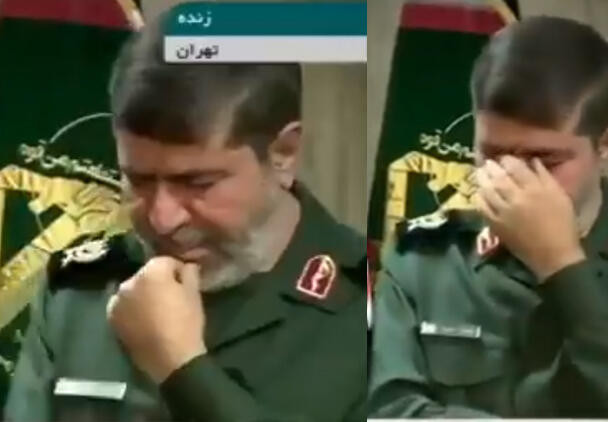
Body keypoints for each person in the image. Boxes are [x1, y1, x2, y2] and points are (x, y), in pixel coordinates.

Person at [368, 16, 608, 421]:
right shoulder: (423, 257)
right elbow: (391, 410)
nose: (511, 177)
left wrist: (561, 264)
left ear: (606, 143)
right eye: (491, 154)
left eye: (545, 160)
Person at [5, 15, 366, 422]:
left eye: (197, 183)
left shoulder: (376, 307)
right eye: (138, 180)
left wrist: (182, 370)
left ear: (283, 153)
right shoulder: (77, 292)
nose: (163, 219)